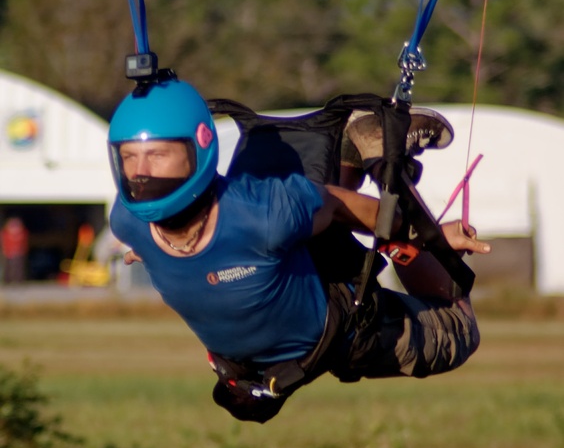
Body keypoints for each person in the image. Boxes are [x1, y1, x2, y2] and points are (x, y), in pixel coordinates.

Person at [108, 77, 490, 422]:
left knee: (459, 332)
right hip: (292, 266)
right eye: (129, 157)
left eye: (157, 155)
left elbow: (336, 203)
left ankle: (381, 158)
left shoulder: (262, 214)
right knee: (302, 219)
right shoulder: (128, 222)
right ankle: (356, 148)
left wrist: (425, 234)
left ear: (198, 148)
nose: (140, 172)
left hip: (332, 311)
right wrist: (154, 249)